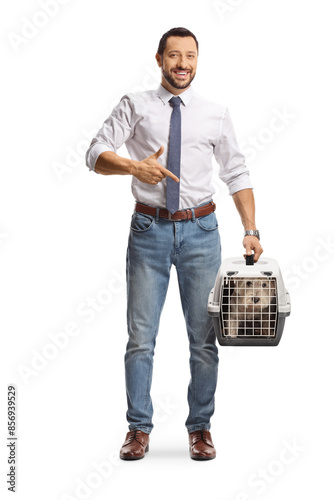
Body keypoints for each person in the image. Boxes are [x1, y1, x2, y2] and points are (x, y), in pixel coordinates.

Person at [85, 27, 263, 461]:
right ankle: (138, 428)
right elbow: (94, 153)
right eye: (174, 55)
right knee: (140, 338)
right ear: (159, 58)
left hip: (202, 233)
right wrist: (132, 167)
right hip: (149, 232)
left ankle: (200, 428)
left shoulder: (215, 113)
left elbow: (236, 173)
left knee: (204, 339)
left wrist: (251, 229)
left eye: (190, 56)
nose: (182, 64)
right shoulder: (136, 105)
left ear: (197, 61)